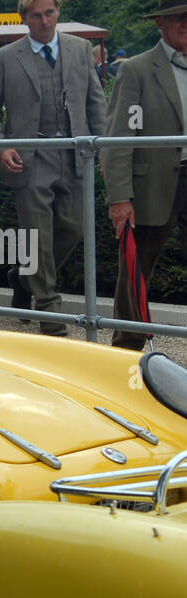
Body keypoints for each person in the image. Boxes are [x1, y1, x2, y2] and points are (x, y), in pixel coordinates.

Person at [0, 0, 107, 336]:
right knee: (37, 236)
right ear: (24, 19)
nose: (44, 21)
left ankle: (24, 278)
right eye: (36, 15)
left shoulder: (80, 49)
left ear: (58, 13)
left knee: (74, 229)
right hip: (30, 157)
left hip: (73, 152)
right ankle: (49, 310)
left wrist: (104, 149)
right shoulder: (4, 58)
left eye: (49, 13)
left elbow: (96, 101)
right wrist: (1, 147)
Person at [101, 0, 187, 351]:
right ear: (160, 24)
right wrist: (120, 197)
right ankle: (127, 344)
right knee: (137, 267)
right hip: (152, 183)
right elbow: (120, 136)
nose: (185, 23)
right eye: (178, 17)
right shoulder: (137, 69)